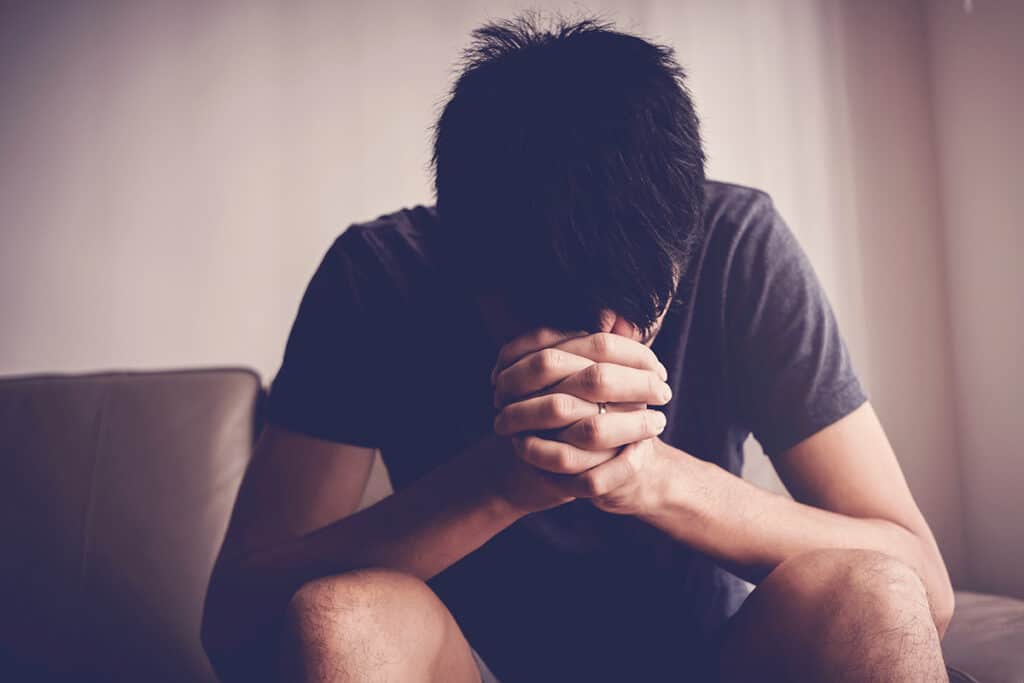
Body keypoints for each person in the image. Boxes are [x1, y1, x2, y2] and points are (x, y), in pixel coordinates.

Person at [201, 13, 957, 682]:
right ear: (462, 259)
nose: (605, 340)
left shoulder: (738, 245)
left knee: (880, 595)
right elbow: (235, 624)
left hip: (718, 660)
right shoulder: (379, 277)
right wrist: (499, 486)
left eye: (638, 305)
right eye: (547, 310)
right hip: (467, 664)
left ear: (682, 242)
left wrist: (652, 478)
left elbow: (927, 585)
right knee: (344, 620)